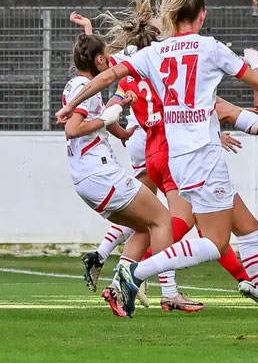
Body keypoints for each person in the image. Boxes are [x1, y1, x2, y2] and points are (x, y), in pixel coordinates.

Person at [56, 0, 258, 333]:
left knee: (248, 227)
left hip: (177, 158)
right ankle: (134, 271)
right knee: (215, 241)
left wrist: (70, 106)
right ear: (201, 16)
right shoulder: (210, 48)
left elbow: (106, 77)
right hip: (203, 157)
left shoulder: (155, 52)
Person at [62, 33, 177, 317]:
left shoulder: (80, 85)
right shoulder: (84, 85)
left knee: (144, 227)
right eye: (106, 58)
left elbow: (95, 118)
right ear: (99, 60)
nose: (111, 63)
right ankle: (170, 293)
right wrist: (108, 118)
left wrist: (122, 131)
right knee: (163, 219)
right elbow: (73, 128)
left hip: (88, 181)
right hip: (100, 174)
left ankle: (117, 290)